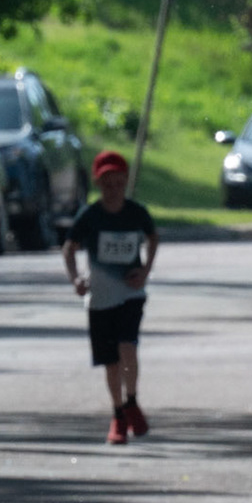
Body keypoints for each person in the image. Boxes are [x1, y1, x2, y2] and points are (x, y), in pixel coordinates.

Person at [63, 150, 159, 445]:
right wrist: (76, 278)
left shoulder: (136, 212)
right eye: (107, 183)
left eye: (118, 183)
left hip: (131, 293)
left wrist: (145, 270)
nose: (113, 189)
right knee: (111, 360)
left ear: (126, 181)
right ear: (98, 183)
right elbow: (69, 248)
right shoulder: (91, 215)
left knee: (127, 346)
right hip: (101, 298)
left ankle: (132, 400)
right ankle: (118, 413)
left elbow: (153, 237)